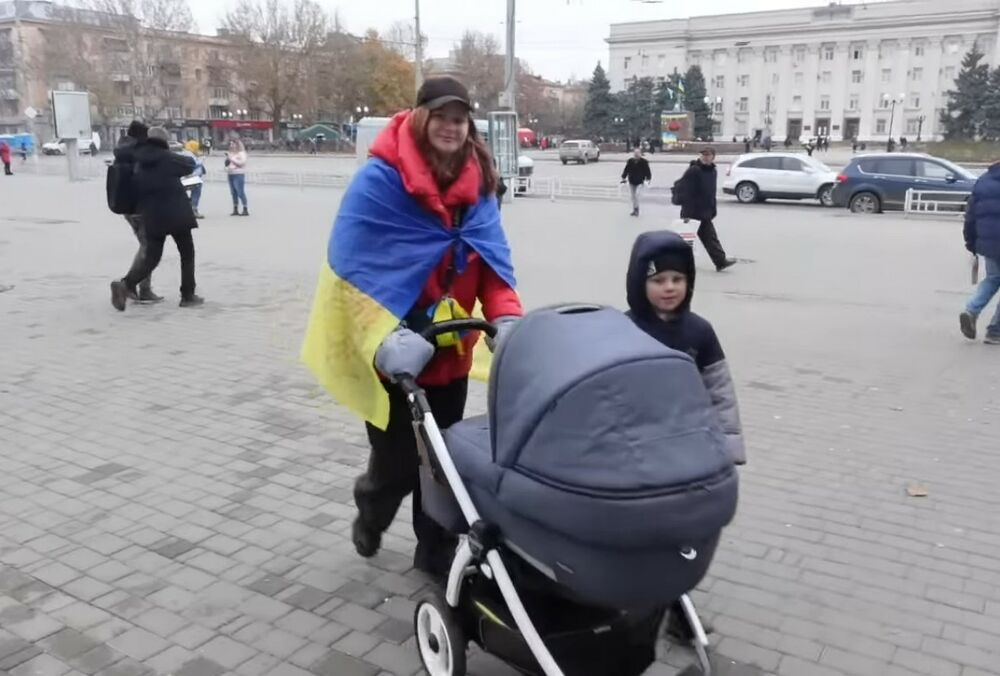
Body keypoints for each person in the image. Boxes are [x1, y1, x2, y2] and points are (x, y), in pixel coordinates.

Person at [301, 75, 522, 578]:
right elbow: (350, 270)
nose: (450, 126)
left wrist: (507, 314)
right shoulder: (380, 181)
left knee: (444, 463)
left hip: (451, 356)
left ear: (469, 127)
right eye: (441, 116)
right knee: (398, 463)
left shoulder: (479, 187)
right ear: (422, 118)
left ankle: (434, 549)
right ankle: (372, 508)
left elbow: (492, 266)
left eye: (459, 119)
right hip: (395, 357)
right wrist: (381, 338)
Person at [624, 228, 745, 640]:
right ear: (640, 284)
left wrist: (728, 445)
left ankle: (678, 608)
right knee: (643, 532)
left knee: (684, 535)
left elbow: (720, 391)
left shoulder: (699, 332)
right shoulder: (621, 330)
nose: (669, 288)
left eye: (678, 279)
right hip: (638, 452)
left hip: (688, 451)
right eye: (658, 280)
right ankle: (638, 602)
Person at [110, 126, 203, 311]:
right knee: (187, 253)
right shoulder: (167, 157)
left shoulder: (136, 158)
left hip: (151, 214)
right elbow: (190, 164)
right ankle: (187, 295)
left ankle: (126, 284)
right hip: (176, 212)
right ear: (165, 141)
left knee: (152, 256)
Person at [113, 121, 162, 303]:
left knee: (146, 246)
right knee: (149, 248)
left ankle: (139, 287)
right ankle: (134, 287)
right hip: (141, 207)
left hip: (127, 206)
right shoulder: (139, 153)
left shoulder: (122, 151)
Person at [676, 148, 736, 272]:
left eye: (708, 155)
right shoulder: (694, 171)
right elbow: (687, 193)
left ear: (713, 157)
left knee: (710, 238)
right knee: (687, 240)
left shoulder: (713, 171)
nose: (705, 157)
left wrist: (713, 208)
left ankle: (720, 262)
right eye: (703, 155)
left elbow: (711, 192)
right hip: (692, 212)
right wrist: (687, 214)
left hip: (705, 212)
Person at [960, 161, 1000, 344]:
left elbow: (971, 214)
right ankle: (995, 331)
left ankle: (971, 310)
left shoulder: (984, 180)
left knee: (993, 278)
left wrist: (970, 241)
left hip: (988, 242)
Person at [621, 147, 652, 217]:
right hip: (632, 181)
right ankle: (635, 209)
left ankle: (636, 210)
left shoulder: (644, 162)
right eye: (635, 153)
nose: (636, 155)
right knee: (633, 196)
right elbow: (626, 169)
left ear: (640, 154)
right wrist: (623, 177)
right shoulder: (630, 161)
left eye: (638, 153)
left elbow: (648, 171)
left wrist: (648, 179)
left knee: (637, 195)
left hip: (640, 181)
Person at [180, 146, 206, 219]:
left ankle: (188, 209)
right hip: (189, 179)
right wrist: (201, 160)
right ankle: (193, 209)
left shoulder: (185, 153)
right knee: (197, 189)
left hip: (184, 178)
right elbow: (195, 165)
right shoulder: (190, 154)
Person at [225, 139, 248, 216]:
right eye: (230, 144)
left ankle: (245, 208)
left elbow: (242, 163)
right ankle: (235, 209)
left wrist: (231, 158)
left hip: (238, 174)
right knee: (233, 192)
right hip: (230, 174)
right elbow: (228, 164)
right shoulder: (231, 153)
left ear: (237, 144)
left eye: (233, 144)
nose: (231, 145)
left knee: (240, 192)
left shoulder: (241, 153)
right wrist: (227, 165)